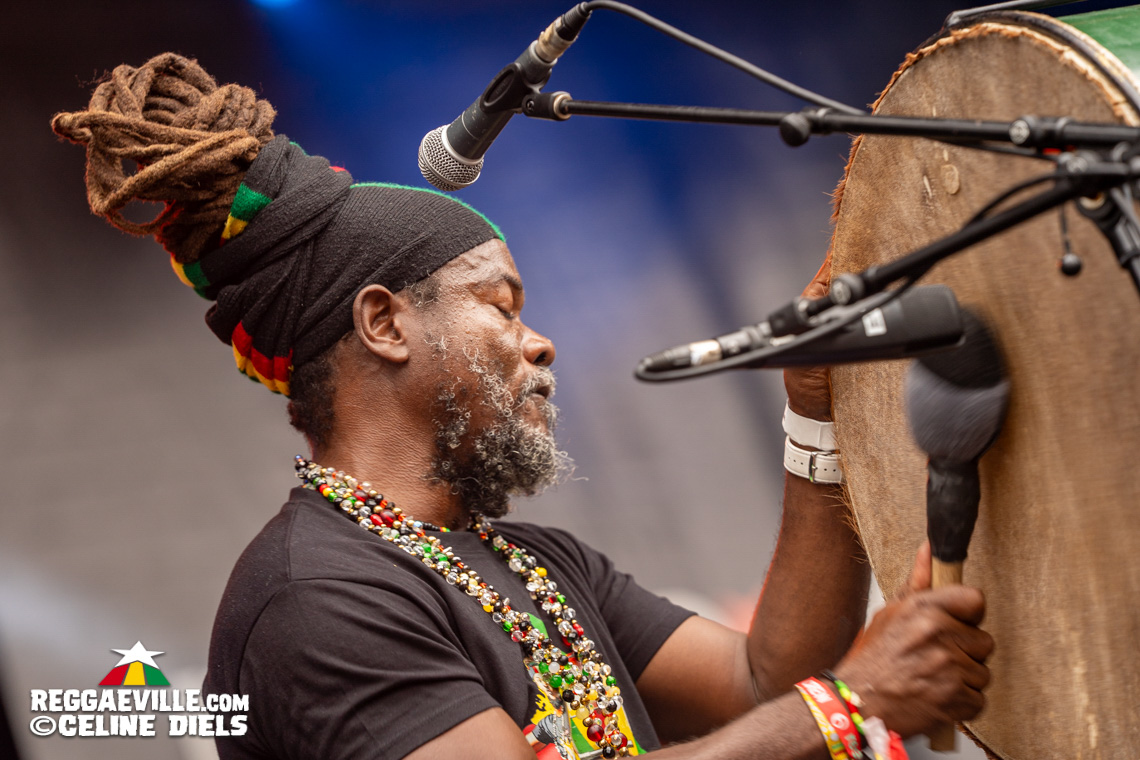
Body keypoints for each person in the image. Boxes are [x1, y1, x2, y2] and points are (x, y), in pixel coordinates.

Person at [53, 54, 992, 760]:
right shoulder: (315, 597)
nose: (539, 342)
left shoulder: (534, 562)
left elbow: (761, 681)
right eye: (500, 305)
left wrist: (813, 409)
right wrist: (853, 705)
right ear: (384, 323)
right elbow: (806, 704)